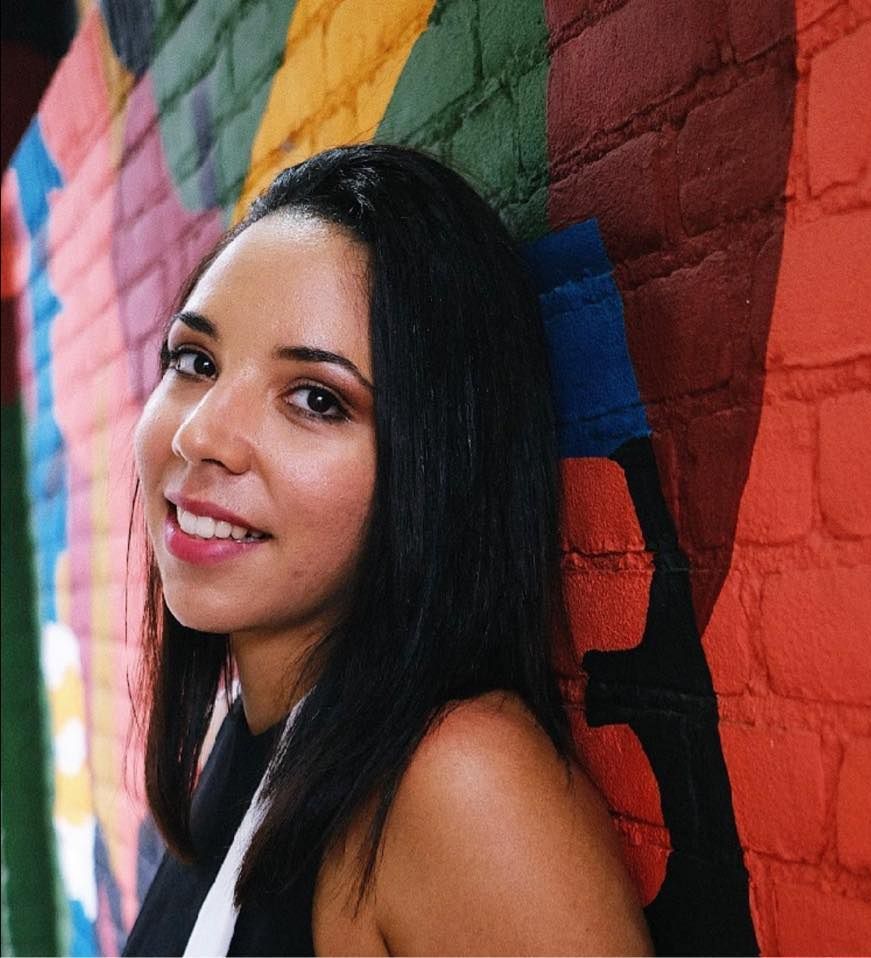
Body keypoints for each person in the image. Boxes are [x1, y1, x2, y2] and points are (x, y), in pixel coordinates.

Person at [123, 144, 653, 956]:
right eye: (196, 361)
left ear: (434, 467)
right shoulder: (255, 723)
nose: (200, 435)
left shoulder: (457, 783)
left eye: (315, 399)